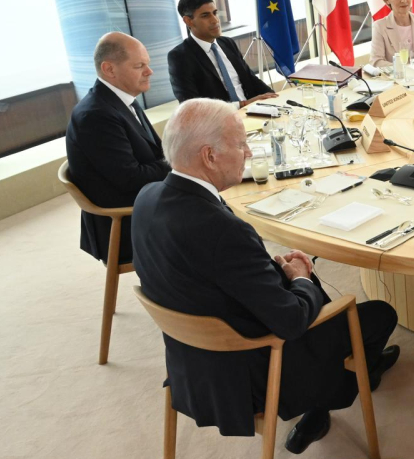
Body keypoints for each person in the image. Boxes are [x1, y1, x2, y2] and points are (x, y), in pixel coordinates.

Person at [132, 99, 400, 454]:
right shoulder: (222, 231)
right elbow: (290, 322)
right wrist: (300, 277)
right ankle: (331, 394)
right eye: (241, 144)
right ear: (209, 156)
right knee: (379, 314)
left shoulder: (147, 197)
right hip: (253, 373)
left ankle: (353, 372)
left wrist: (266, 270)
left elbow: (203, 270)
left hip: (189, 365)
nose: (248, 152)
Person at [65, 32, 171, 264]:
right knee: (216, 222)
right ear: (109, 69)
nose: (149, 71)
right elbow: (131, 178)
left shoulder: (122, 99)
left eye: (148, 64)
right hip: (126, 223)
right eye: (139, 66)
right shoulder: (95, 116)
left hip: (145, 202)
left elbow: (155, 154)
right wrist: (180, 163)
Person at [166, 0, 278, 107]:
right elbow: (191, 106)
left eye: (215, 13)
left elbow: (251, 79)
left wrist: (275, 99)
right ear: (188, 21)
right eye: (205, 16)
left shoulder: (227, 43)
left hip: (252, 112)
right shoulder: (180, 57)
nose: (215, 20)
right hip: (220, 121)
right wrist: (242, 105)